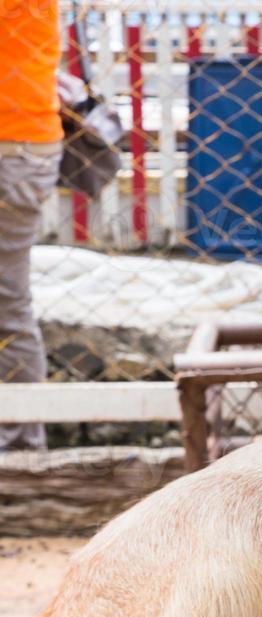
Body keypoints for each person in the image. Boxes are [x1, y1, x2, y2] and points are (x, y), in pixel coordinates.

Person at [0, 0, 63, 451]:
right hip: (23, 144)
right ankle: (21, 442)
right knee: (9, 305)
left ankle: (20, 444)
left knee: (8, 305)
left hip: (12, 147)